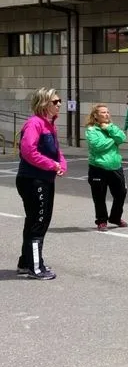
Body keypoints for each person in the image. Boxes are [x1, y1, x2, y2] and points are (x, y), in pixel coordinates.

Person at [15, 88, 66, 280]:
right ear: (44, 103)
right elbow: (29, 151)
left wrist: (61, 164)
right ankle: (36, 268)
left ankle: (26, 261)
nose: (59, 104)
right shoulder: (34, 123)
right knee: (39, 222)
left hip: (44, 178)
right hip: (33, 179)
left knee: (33, 220)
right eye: (55, 101)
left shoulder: (50, 125)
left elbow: (56, 152)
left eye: (59, 100)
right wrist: (52, 165)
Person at [85, 104, 128, 231]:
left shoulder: (111, 127)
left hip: (115, 167)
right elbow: (97, 146)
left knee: (121, 193)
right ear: (95, 115)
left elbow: (122, 137)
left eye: (108, 112)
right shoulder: (91, 129)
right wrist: (114, 139)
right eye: (103, 112)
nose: (106, 114)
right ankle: (101, 220)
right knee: (99, 196)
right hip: (98, 168)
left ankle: (115, 218)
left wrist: (110, 130)